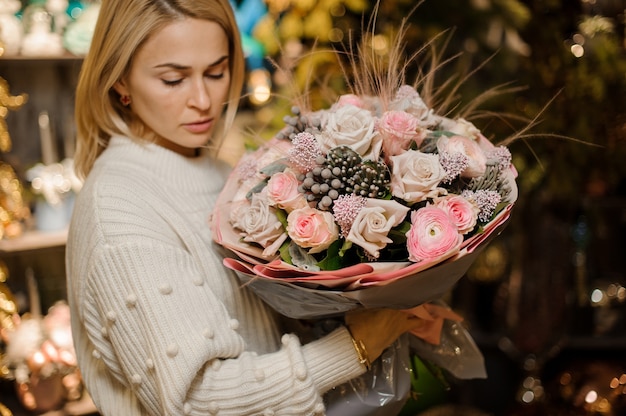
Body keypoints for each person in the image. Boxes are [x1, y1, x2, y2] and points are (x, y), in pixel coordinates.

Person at [66, 0, 423, 414]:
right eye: (172, 79)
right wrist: (357, 344)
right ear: (120, 81)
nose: (203, 100)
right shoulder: (118, 210)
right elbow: (198, 401)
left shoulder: (220, 172)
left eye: (216, 73)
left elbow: (262, 330)